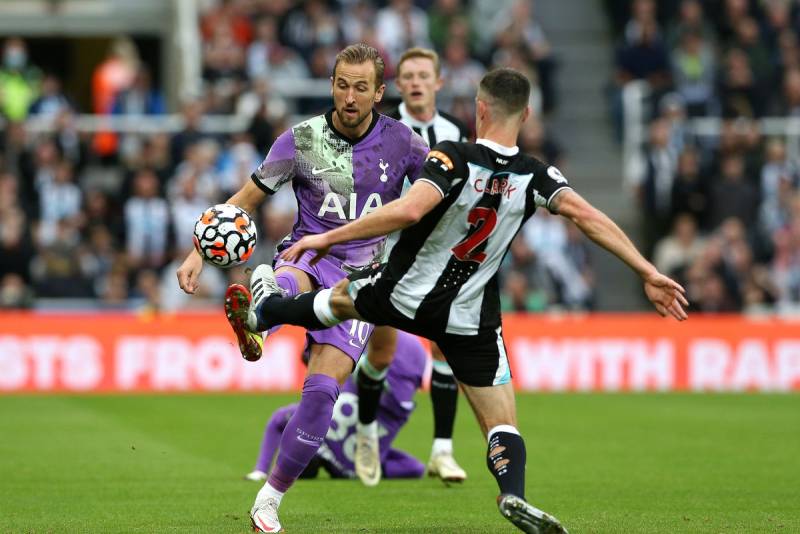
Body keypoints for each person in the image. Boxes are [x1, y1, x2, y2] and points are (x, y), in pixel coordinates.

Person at [228, 67, 689, 533]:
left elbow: (408, 210)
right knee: (502, 421)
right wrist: (648, 272)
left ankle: (266, 309)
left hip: (406, 292)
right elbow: (589, 218)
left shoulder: (452, 158)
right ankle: (513, 494)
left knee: (340, 301)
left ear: (479, 110)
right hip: (470, 316)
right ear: (526, 115)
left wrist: (327, 240)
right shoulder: (537, 175)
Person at [176, 43, 429, 533]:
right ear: (331, 84)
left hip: (362, 282)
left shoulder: (405, 144)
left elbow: (434, 198)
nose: (350, 97)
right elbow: (245, 200)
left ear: (379, 92)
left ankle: (268, 502)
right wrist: (197, 254)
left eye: (361, 87)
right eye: (342, 84)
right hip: (307, 256)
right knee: (289, 276)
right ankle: (261, 315)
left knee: (320, 397)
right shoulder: (301, 140)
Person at [357, 47, 470, 486]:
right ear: (399, 85)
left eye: (425, 74)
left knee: (445, 345)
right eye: (410, 75)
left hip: (439, 252)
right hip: (387, 250)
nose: (418, 81)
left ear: (439, 82)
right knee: (381, 349)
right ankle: (366, 433)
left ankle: (443, 449)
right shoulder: (383, 130)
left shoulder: (456, 132)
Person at [244, 331, 427, 483]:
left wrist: (381, 454)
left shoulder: (349, 470)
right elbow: (278, 419)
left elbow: (414, 467)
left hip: (397, 393)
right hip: (383, 373)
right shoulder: (315, 427)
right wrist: (260, 470)